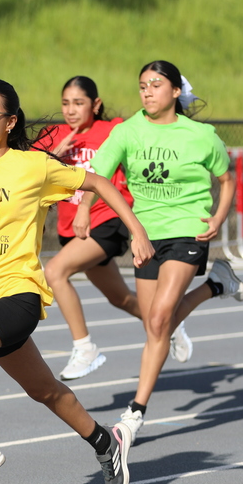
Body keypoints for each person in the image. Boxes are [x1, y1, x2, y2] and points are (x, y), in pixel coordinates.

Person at [0, 78, 154, 484]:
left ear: (9, 122)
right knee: (44, 390)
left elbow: (98, 183)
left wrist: (136, 230)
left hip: (20, 294)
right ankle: (106, 443)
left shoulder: (33, 166)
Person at [89, 60, 243, 445]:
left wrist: (218, 216)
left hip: (188, 231)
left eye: (156, 85)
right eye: (142, 85)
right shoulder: (127, 131)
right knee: (153, 325)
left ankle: (135, 412)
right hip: (145, 235)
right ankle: (215, 286)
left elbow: (226, 180)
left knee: (161, 319)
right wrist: (82, 212)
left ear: (176, 91)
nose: (146, 91)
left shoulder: (201, 135)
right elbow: (95, 176)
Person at [40, 76, 193, 381]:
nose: (71, 110)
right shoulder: (52, 134)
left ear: (95, 105)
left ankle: (85, 349)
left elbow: (152, 119)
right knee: (120, 298)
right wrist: (53, 154)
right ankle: (169, 324)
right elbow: (25, 172)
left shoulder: (112, 129)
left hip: (107, 220)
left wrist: (179, 94)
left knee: (55, 272)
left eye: (79, 103)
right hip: (71, 228)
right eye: (66, 103)